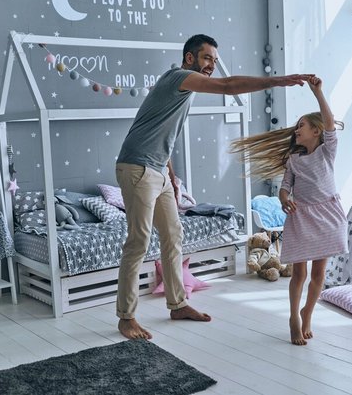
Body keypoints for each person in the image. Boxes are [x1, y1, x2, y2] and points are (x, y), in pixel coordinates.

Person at [115, 33, 314, 340]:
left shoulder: (185, 88)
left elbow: (161, 134)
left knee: (173, 235)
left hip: (159, 169)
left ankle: (177, 304)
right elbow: (227, 85)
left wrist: (171, 176)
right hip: (137, 167)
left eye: (215, 60)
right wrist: (278, 81)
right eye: (207, 58)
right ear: (190, 58)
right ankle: (126, 317)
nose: (211, 65)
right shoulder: (178, 77)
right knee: (138, 242)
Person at [230, 76, 347, 345]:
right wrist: (284, 199)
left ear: (316, 131)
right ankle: (294, 317)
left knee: (318, 274)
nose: (296, 130)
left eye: (301, 126)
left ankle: (308, 313)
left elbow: (329, 122)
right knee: (299, 274)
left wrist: (318, 93)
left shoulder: (327, 151)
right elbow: (285, 187)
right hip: (301, 217)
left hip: (328, 217)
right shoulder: (293, 160)